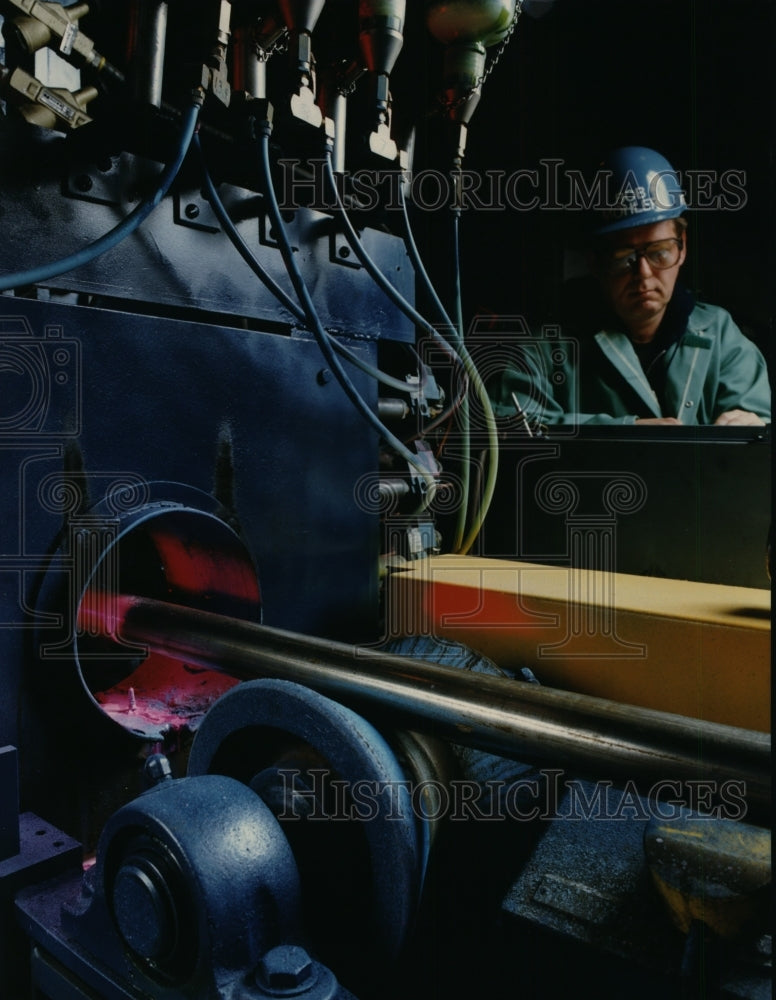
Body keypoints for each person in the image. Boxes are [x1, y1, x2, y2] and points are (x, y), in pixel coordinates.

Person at [488, 146, 771, 427]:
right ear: (595, 261)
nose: (643, 273)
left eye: (659, 251)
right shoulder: (546, 347)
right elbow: (507, 423)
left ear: (682, 247)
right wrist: (626, 431)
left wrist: (754, 431)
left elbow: (759, 433)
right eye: (623, 257)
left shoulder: (721, 336)